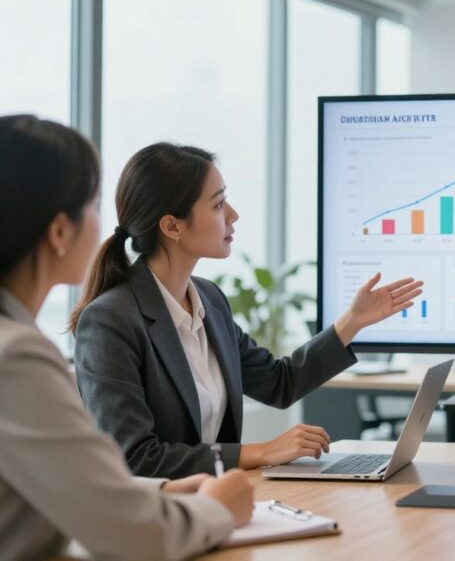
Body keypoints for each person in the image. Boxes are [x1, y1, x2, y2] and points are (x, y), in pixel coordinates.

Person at [71, 142, 422, 479]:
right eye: (219, 204)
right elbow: (135, 457)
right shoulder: (110, 321)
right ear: (172, 226)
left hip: (216, 503)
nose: (234, 215)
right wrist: (263, 452)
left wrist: (353, 320)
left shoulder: (209, 300)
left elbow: (279, 383)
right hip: (157, 518)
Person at [0, 114, 254, 560]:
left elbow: (73, 484)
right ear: (60, 231)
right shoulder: (15, 358)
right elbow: (130, 536)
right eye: (94, 205)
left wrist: (164, 488)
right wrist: (218, 511)